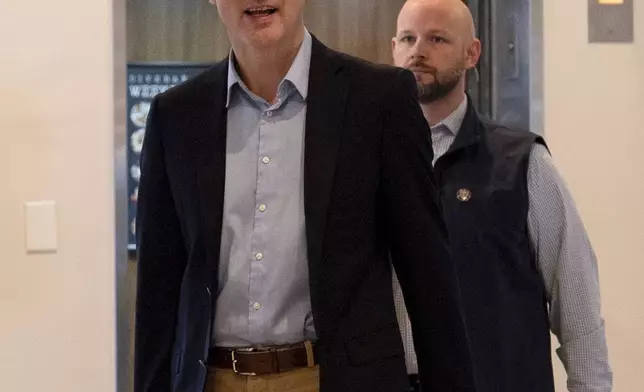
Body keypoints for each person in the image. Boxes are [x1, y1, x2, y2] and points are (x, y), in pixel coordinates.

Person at [134, 1, 478, 392]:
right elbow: (156, 297)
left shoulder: (378, 100)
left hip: (335, 378)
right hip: (212, 379)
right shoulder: (176, 115)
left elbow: (428, 275)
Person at [391, 0, 612, 391]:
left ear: (472, 52)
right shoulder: (370, 161)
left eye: (437, 39)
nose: (418, 51)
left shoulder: (523, 164)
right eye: (408, 38)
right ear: (393, 47)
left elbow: (578, 311)